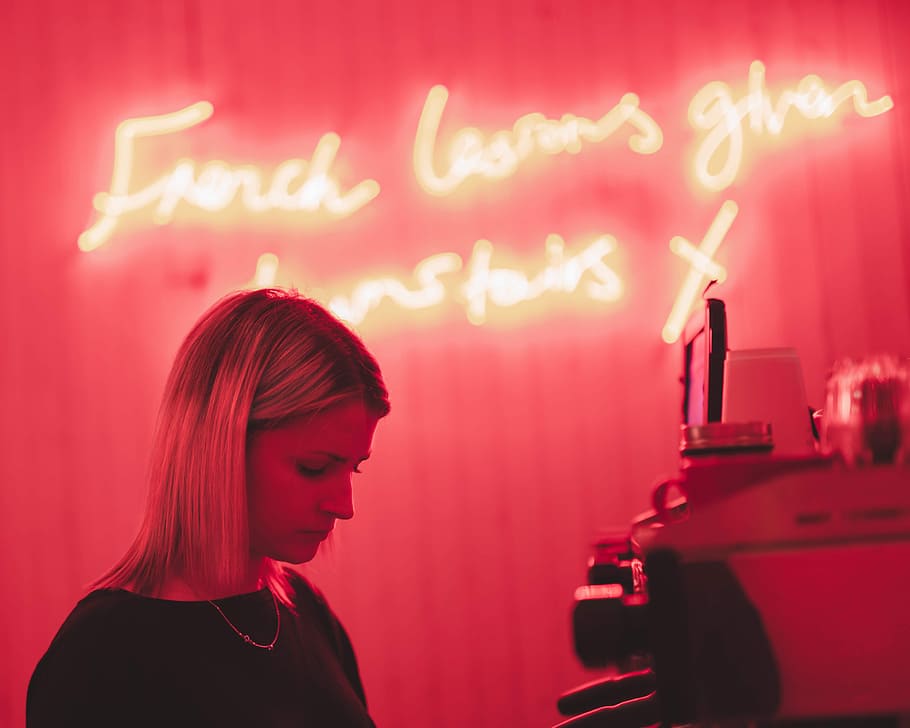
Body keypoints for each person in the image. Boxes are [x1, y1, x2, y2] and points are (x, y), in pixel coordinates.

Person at [27, 288, 390, 728]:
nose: (344, 507)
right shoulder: (103, 652)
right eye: (314, 467)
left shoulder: (305, 611)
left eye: (354, 469)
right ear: (220, 445)